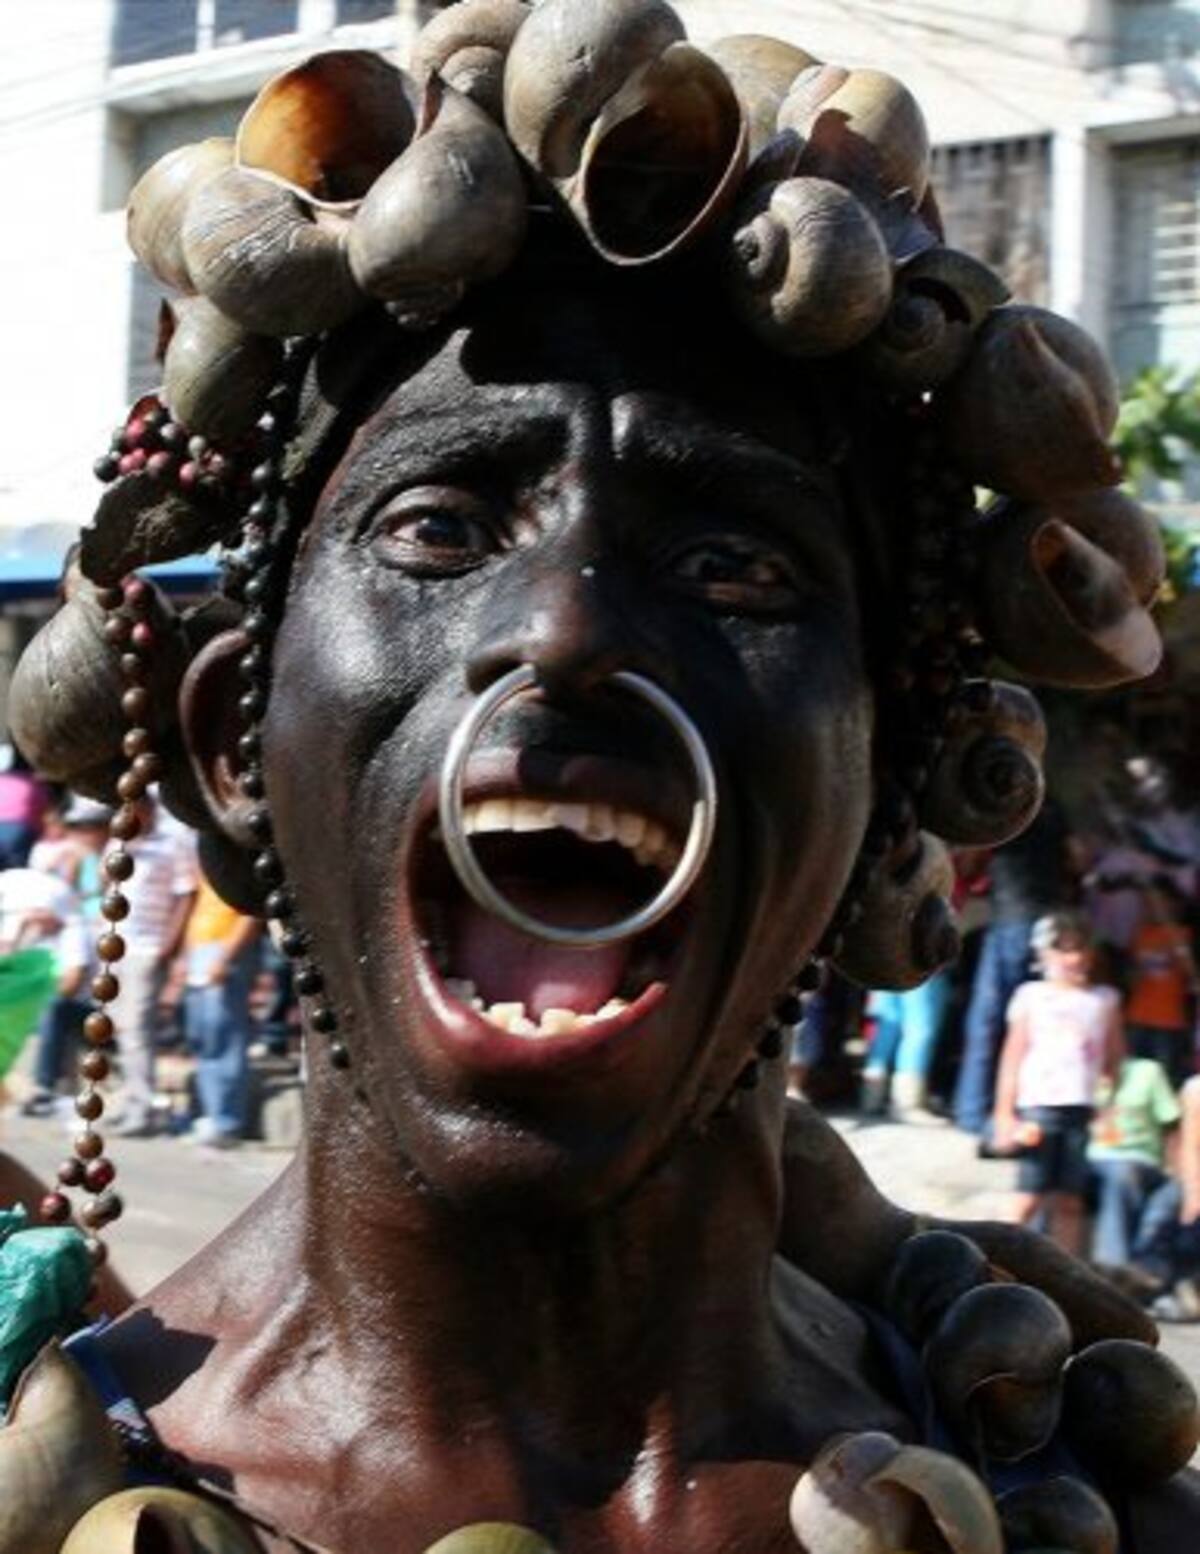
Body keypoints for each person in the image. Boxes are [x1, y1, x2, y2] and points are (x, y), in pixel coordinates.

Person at [2, 11, 1196, 1550]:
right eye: (439, 526)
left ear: (891, 783)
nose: (566, 634)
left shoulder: (1079, 1496)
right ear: (235, 744)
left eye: (731, 563)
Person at [993, 913, 1124, 1255]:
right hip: (1038, 1108)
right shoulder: (1031, 996)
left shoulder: (1105, 999)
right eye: (1063, 950)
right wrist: (1005, 1114)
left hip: (1082, 1109)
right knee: (1028, 1195)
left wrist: (1109, 1108)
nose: (1075, 958)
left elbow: (1113, 1059)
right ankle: (995, 1263)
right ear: (1044, 955)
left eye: (1080, 949)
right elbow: (1012, 1058)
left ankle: (1065, 1273)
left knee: (1071, 1201)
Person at [953, 799, 1078, 1136]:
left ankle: (973, 1111)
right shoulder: (1054, 812)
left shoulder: (996, 814)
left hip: (1009, 920)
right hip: (1047, 923)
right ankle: (1028, 1107)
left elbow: (968, 866)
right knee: (1037, 1022)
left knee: (988, 1020)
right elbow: (1077, 859)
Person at [106, 794, 198, 1137]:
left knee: (137, 1031)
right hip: (115, 946)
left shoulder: (173, 844)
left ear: (148, 811)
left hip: (147, 946)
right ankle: (129, 1101)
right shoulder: (118, 844)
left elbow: (186, 894)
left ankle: (143, 1109)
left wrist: (167, 946)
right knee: (117, 1029)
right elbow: (106, 885)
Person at [1088, 1051, 1182, 1285]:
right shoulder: (1079, 1072)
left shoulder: (1148, 1071)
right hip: (1093, 1160)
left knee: (1172, 1195)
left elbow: (1172, 1124)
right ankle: (1112, 1267)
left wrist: (1177, 1169)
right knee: (1121, 1174)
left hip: (1145, 1162)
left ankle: (1143, 1268)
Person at [183, 870, 262, 1146]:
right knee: (203, 1037)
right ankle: (212, 1113)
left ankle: (226, 1121)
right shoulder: (206, 868)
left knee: (225, 1035)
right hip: (201, 950)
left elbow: (250, 916)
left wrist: (225, 958)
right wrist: (186, 956)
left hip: (225, 951)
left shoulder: (238, 869)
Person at [1125, 875, 1197, 1088]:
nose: (1153, 907)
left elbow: (1191, 975)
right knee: (1134, 1075)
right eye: (1147, 903)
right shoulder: (1141, 934)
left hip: (1170, 1019)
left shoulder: (1186, 934)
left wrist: (1175, 939)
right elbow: (1132, 977)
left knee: (1165, 1079)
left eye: (1158, 902)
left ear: (1174, 904)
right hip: (1138, 1016)